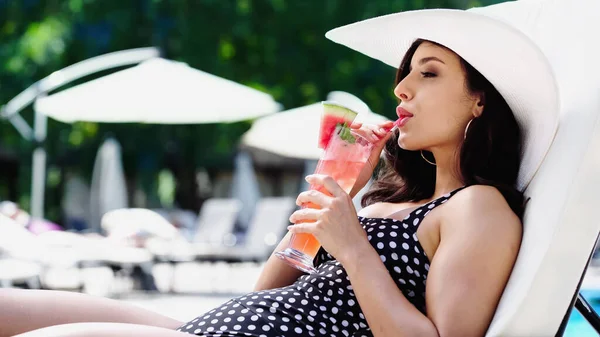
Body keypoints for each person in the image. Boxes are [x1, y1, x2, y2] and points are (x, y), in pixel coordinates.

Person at [0, 5, 559, 337]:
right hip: (223, 325)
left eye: (430, 74)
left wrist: (354, 246)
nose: (401, 88)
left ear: (481, 100)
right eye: (405, 72)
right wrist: (329, 207)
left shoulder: (478, 207)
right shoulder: (385, 200)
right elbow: (268, 289)